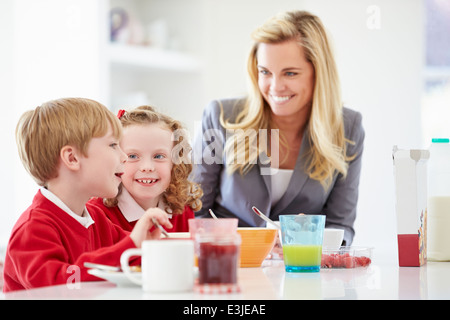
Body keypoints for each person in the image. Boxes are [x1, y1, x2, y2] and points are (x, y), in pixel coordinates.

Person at [192, 10, 364, 245]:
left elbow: (340, 226)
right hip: (230, 262)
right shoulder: (220, 116)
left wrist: (312, 235)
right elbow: (194, 212)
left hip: (300, 270)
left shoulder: (348, 128)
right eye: (265, 72)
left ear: (318, 73)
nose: (275, 87)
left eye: (290, 73)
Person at [3, 98, 172, 292]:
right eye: (113, 145)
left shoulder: (96, 220)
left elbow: (132, 258)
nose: (124, 156)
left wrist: (149, 244)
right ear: (72, 158)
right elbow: (59, 285)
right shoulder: (32, 228)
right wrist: (132, 244)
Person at [88, 106, 202, 232]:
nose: (147, 167)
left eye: (159, 156)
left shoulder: (182, 209)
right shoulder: (97, 215)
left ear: (175, 163)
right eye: (132, 156)